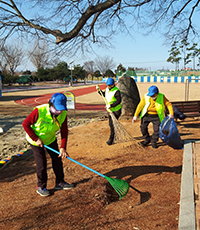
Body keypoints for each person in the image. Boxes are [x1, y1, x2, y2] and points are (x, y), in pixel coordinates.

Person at [22, 93, 74, 197]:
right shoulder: (39, 111)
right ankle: (41, 186)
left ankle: (60, 182)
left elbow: (64, 131)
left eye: (61, 109)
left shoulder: (63, 114)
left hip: (50, 139)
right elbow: (25, 124)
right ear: (51, 104)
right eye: (57, 108)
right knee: (42, 163)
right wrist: (36, 139)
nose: (59, 111)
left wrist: (63, 147)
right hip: (36, 141)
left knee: (57, 159)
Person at [96, 77, 122, 145]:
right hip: (109, 110)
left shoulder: (116, 91)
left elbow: (119, 101)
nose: (109, 86)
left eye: (111, 85)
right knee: (111, 125)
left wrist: (111, 105)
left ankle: (111, 139)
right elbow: (105, 95)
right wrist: (99, 91)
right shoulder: (107, 89)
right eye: (108, 85)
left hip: (116, 110)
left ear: (114, 84)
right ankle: (115, 136)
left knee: (112, 125)